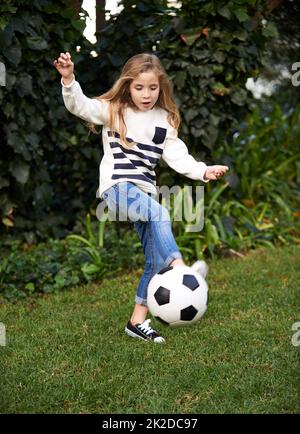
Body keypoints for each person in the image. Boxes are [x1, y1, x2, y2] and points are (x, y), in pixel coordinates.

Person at [53, 52, 229, 344]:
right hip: (117, 187)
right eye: (139, 88)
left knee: (153, 261)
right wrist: (69, 79)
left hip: (143, 193)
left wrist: (203, 170)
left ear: (161, 87)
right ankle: (181, 269)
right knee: (161, 214)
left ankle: (137, 321)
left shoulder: (165, 121)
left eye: (152, 88)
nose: (146, 94)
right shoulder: (114, 109)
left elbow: (177, 156)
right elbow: (80, 106)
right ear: (127, 86)